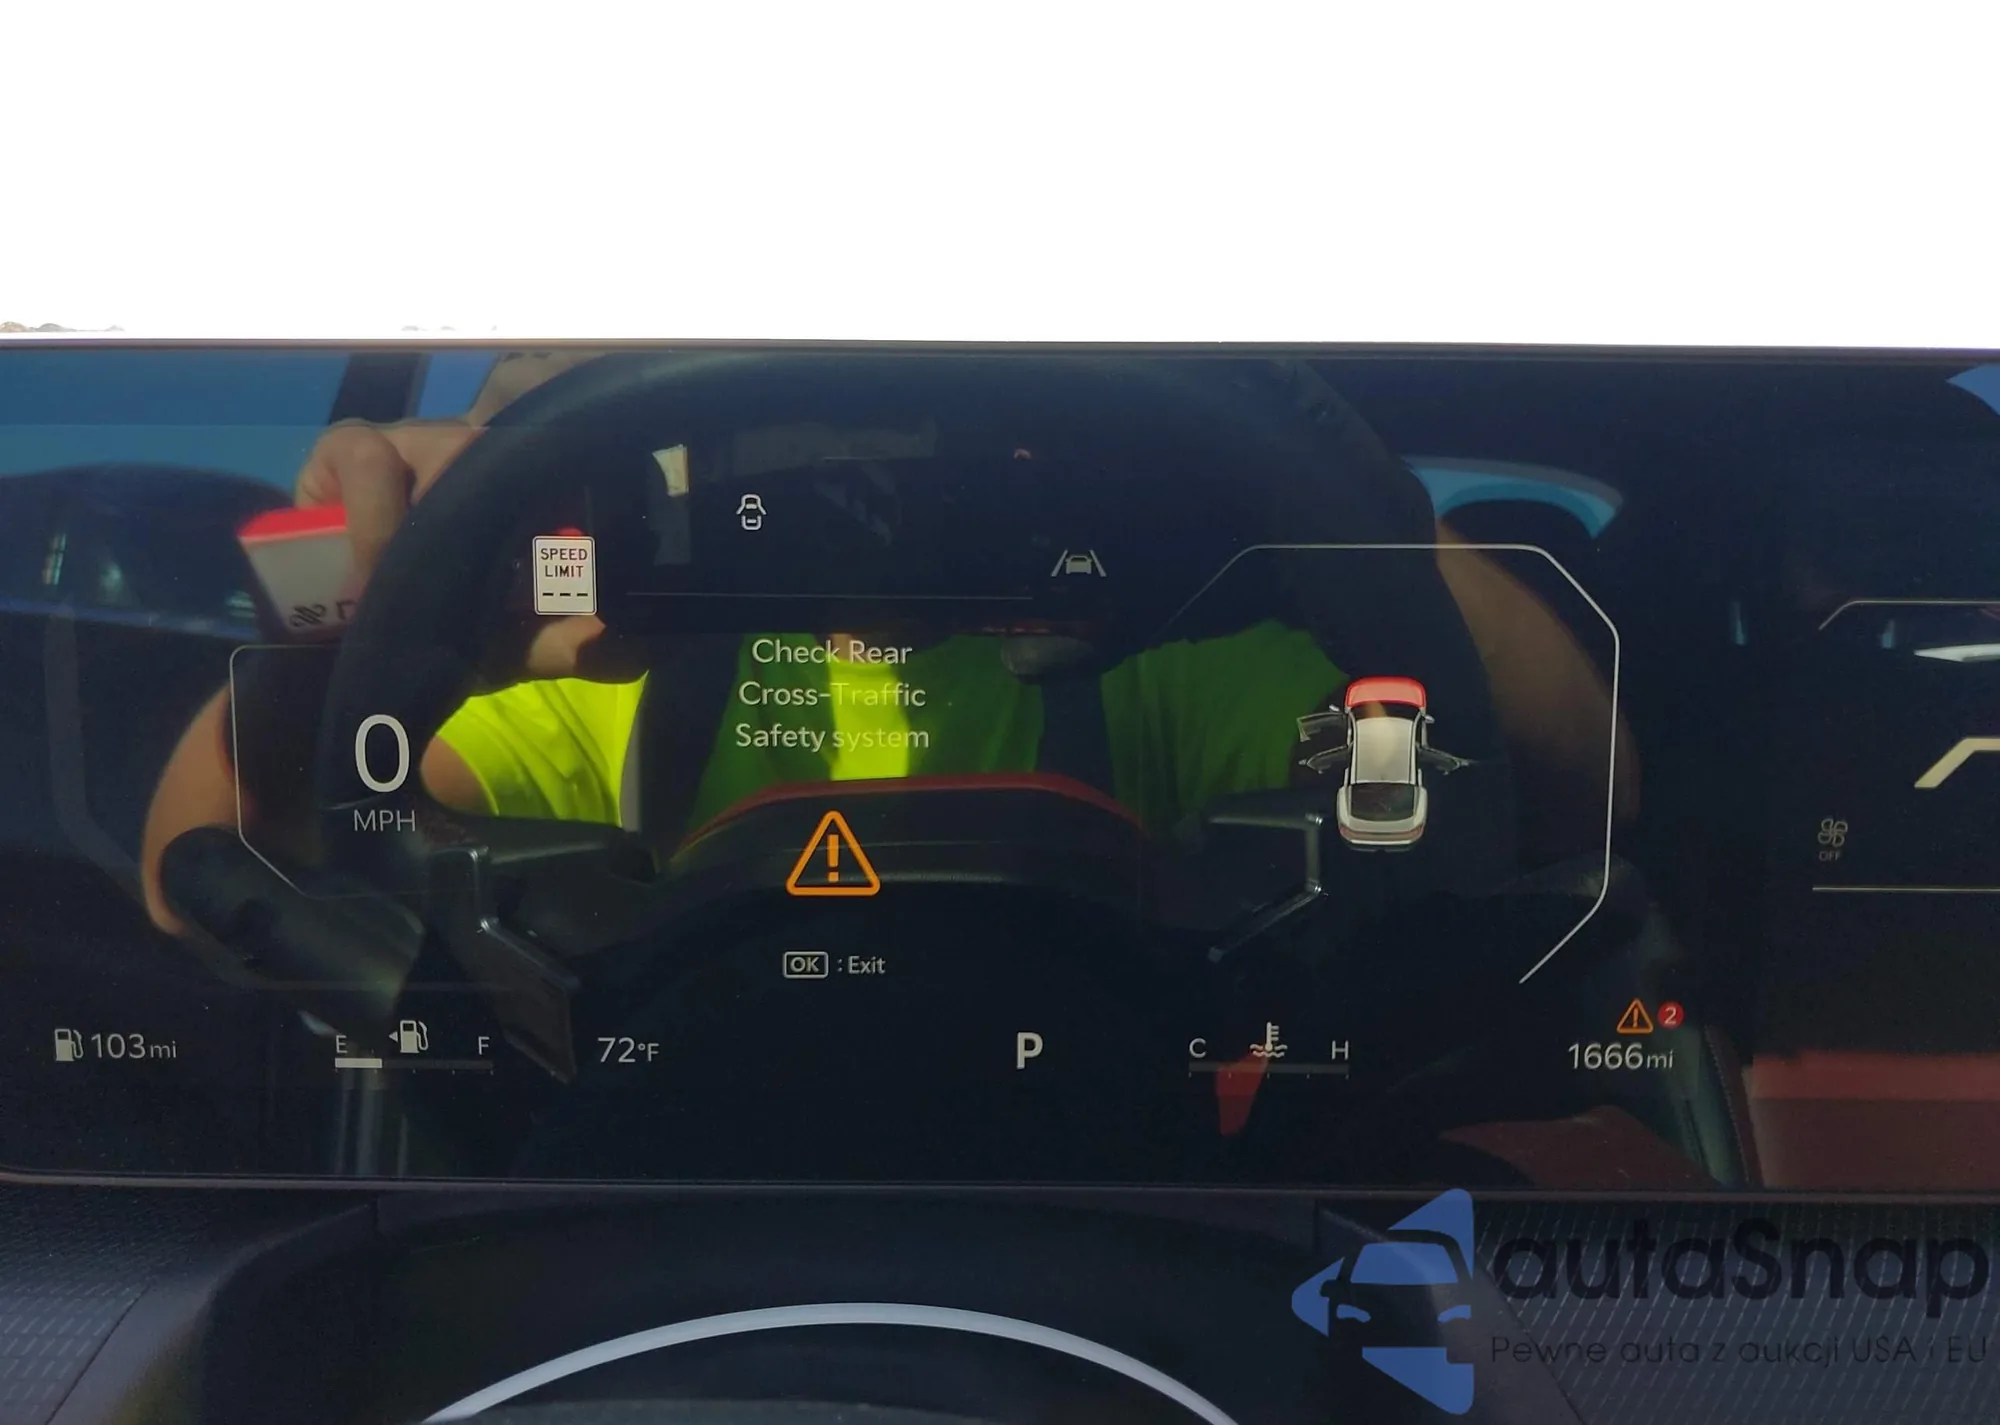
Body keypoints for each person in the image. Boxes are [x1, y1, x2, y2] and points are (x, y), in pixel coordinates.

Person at [140, 351, 1636, 934]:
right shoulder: (604, 667)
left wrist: (1324, 508)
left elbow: (1566, 788)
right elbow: (215, 872)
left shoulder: (1142, 648)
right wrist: (394, 595)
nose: (853, 490)